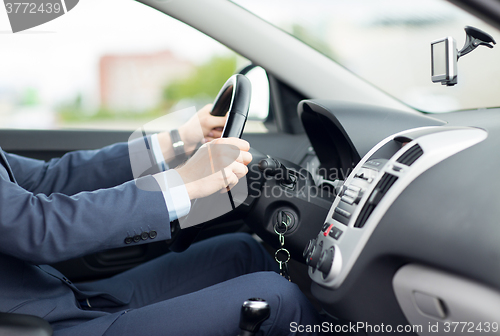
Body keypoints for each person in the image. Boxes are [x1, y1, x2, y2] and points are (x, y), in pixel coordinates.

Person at [0, 105, 323, 335]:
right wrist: (182, 182)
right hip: (42, 324)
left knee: (239, 252)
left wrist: (180, 139)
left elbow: (47, 178)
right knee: (276, 299)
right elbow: (36, 227)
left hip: (58, 298)